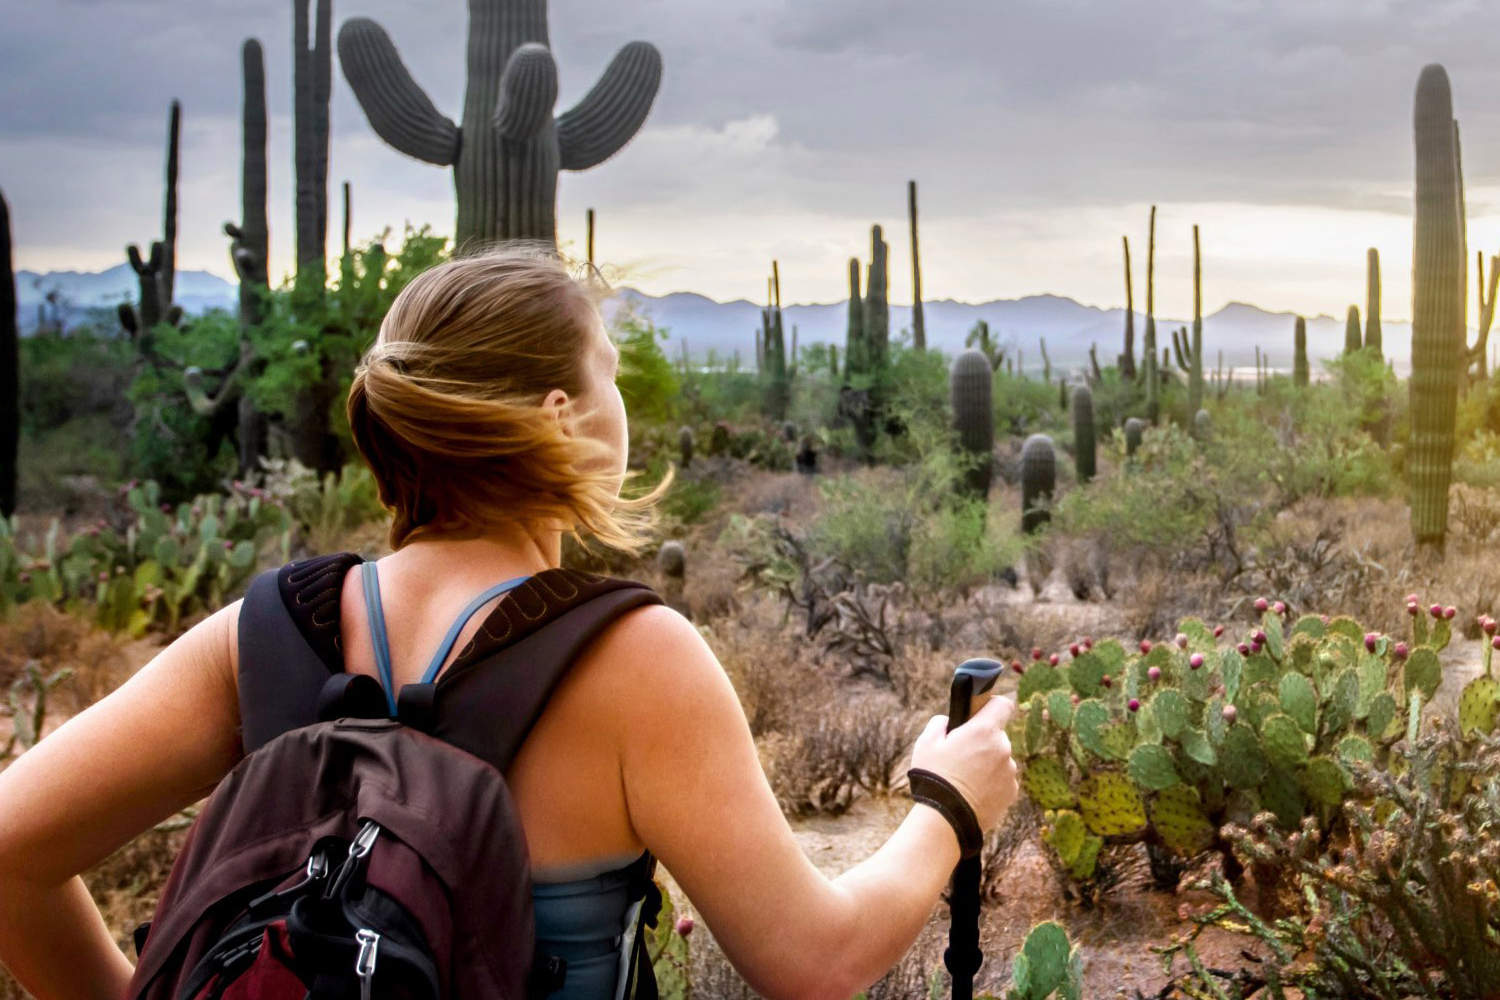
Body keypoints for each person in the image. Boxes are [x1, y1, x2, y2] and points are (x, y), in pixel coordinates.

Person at [0, 247, 1018, 1000]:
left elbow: (10, 849)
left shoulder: (262, 633)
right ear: (560, 413)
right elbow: (817, 959)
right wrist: (946, 808)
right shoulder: (633, 658)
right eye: (609, 373)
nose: (624, 405)